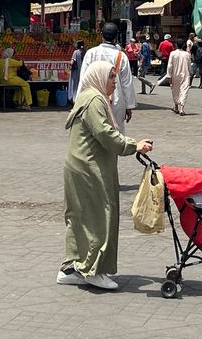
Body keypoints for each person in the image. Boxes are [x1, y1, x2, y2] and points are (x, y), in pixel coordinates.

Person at [57, 61, 154, 291]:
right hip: (89, 168)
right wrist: (133, 145)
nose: (114, 82)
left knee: (81, 217)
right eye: (111, 77)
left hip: (80, 166)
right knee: (99, 216)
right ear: (99, 77)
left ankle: (70, 269)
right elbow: (105, 133)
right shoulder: (94, 100)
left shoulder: (88, 95)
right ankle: (93, 270)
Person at [78, 22, 136, 133]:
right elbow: (126, 83)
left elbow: (83, 79)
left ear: (101, 35)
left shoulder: (91, 53)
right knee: (116, 133)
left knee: (93, 132)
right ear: (116, 37)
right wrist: (128, 106)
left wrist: (79, 102)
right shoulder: (121, 56)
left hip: (93, 99)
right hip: (116, 101)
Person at [167, 37, 192, 115]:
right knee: (184, 90)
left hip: (175, 74)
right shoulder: (187, 54)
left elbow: (170, 65)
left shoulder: (173, 53)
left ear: (176, 45)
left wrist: (169, 76)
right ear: (184, 45)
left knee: (175, 90)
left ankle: (176, 107)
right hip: (185, 74)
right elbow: (189, 66)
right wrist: (190, 73)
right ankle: (182, 109)